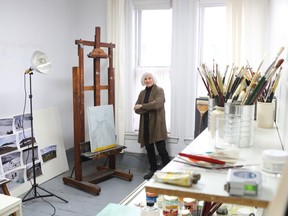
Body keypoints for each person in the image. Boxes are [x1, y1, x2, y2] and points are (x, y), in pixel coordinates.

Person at [134, 72, 171, 179]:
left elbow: (158, 104)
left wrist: (142, 106)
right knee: (149, 150)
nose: (148, 80)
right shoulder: (142, 93)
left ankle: (169, 171)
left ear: (153, 79)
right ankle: (153, 170)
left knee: (161, 149)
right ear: (143, 81)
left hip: (157, 124)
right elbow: (136, 109)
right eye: (145, 79)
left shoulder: (159, 90)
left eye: (149, 78)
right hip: (145, 124)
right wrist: (149, 106)